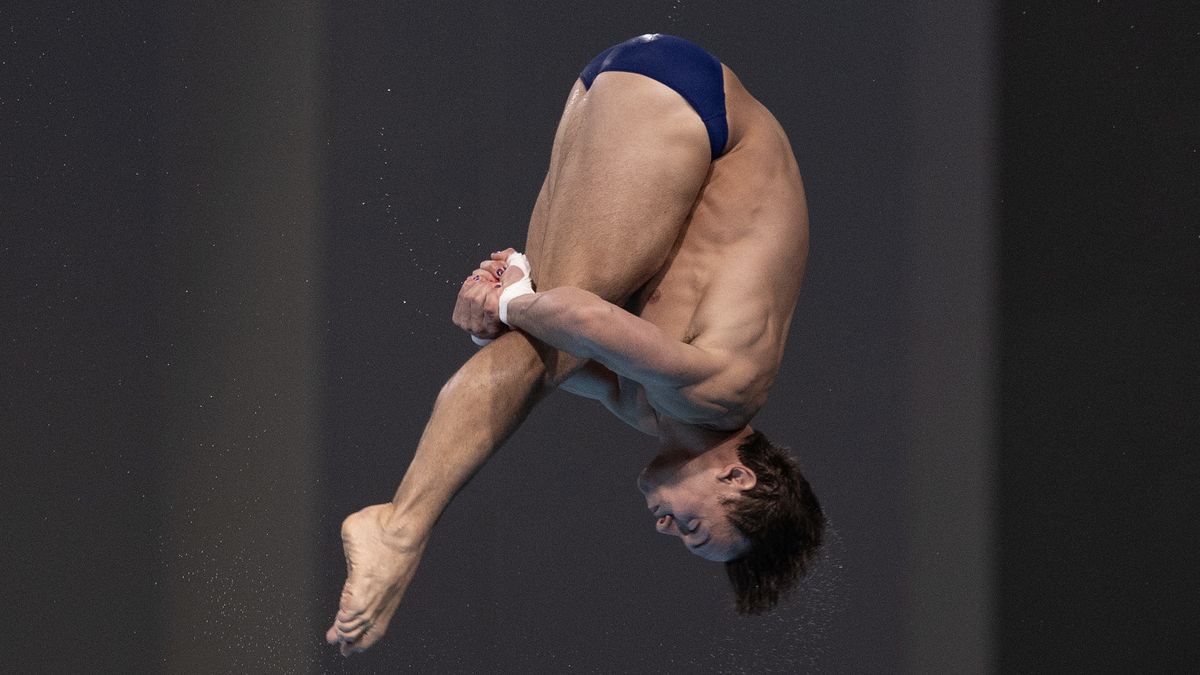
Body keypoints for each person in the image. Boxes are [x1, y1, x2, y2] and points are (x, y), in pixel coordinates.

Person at [326, 34, 824, 656]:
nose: (667, 527)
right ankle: (399, 528)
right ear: (737, 477)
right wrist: (514, 305)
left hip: (652, 92)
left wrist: (501, 311)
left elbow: (545, 342)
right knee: (546, 344)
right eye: (693, 528)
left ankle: (400, 524)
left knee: (540, 357)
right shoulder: (725, 392)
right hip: (692, 110)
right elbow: (574, 316)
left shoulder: (649, 410)